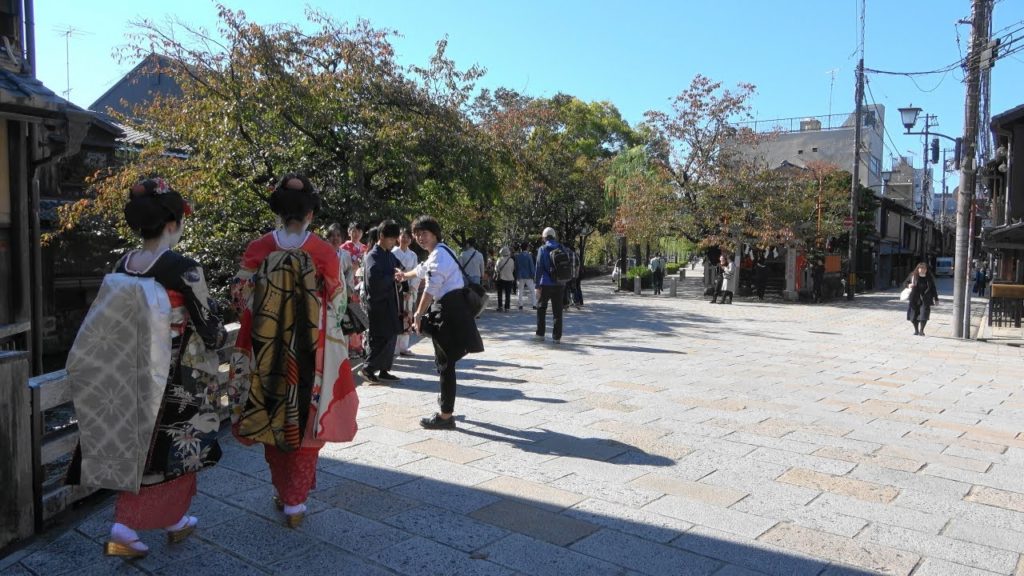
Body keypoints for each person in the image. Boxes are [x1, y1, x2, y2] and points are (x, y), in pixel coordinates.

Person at [66, 178, 226, 558]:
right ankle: (124, 527)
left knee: (135, 444)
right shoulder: (184, 269)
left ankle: (173, 519)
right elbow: (210, 328)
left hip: (128, 371)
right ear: (173, 223)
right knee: (166, 452)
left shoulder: (123, 264)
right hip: (172, 377)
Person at [230, 174, 358, 528]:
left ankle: (285, 492)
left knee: (271, 411)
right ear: (310, 215)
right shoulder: (323, 251)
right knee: (305, 419)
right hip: (310, 349)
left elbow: (240, 298)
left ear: (278, 212)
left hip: (265, 348)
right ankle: (296, 502)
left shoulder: (259, 248)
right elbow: (338, 302)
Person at [395, 216, 483, 429]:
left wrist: (417, 314)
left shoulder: (439, 256)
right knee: (445, 361)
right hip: (452, 309)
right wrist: (404, 276)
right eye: (417, 234)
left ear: (435, 233)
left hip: (450, 312)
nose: (419, 238)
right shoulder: (442, 251)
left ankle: (445, 415)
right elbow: (422, 269)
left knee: (445, 363)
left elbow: (430, 288)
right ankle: (446, 402)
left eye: (423, 233)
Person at [361, 220, 403, 384]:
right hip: (378, 303)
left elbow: (398, 268)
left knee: (392, 335)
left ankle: (384, 369)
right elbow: (374, 281)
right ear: (381, 236)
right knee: (380, 337)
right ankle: (368, 368)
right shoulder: (372, 256)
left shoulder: (389, 255)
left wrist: (399, 274)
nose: (393, 243)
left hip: (390, 301)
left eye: (394, 239)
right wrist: (392, 277)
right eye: (391, 239)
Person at [534, 227, 566, 342]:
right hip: (559, 283)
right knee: (557, 311)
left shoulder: (542, 249)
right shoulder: (561, 247)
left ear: (544, 238)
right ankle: (557, 337)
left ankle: (540, 334)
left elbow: (538, 268)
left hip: (546, 283)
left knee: (541, 308)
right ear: (554, 236)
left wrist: (537, 285)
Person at [392, 227, 420, 356]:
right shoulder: (393, 253)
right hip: (396, 288)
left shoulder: (413, 255)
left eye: (408, 237)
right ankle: (394, 347)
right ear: (398, 238)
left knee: (407, 316)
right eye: (403, 236)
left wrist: (411, 289)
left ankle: (404, 346)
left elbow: (416, 273)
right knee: (396, 315)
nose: (405, 239)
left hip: (409, 287)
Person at [341, 222, 367, 358]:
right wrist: (353, 266)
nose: (356, 234)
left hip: (362, 287)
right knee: (350, 316)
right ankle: (352, 348)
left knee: (361, 316)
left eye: (359, 231)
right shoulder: (343, 248)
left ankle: (360, 346)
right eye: (353, 231)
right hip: (349, 287)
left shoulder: (365, 248)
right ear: (349, 232)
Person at [905, 261, 939, 336]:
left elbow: (933, 288)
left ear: (926, 270)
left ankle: (921, 330)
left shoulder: (929, 277)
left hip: (925, 299)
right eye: (921, 268)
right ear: (918, 269)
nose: (923, 270)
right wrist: (909, 285)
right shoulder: (913, 275)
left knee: (924, 315)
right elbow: (905, 283)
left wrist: (936, 298)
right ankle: (916, 330)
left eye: (924, 268)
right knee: (913, 317)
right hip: (914, 299)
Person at [515, 242, 537, 309]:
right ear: (527, 247)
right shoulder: (529, 256)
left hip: (520, 275)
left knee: (520, 290)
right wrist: (533, 275)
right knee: (532, 290)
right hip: (528, 276)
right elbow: (531, 266)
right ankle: (534, 304)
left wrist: (517, 275)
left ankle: (520, 305)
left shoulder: (518, 256)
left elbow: (516, 266)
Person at [494, 246, 516, 312]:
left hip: (501, 278)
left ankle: (500, 306)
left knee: (500, 293)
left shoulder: (499, 259)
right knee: (508, 294)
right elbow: (512, 269)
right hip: (509, 278)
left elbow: (496, 269)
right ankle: (507, 307)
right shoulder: (511, 260)